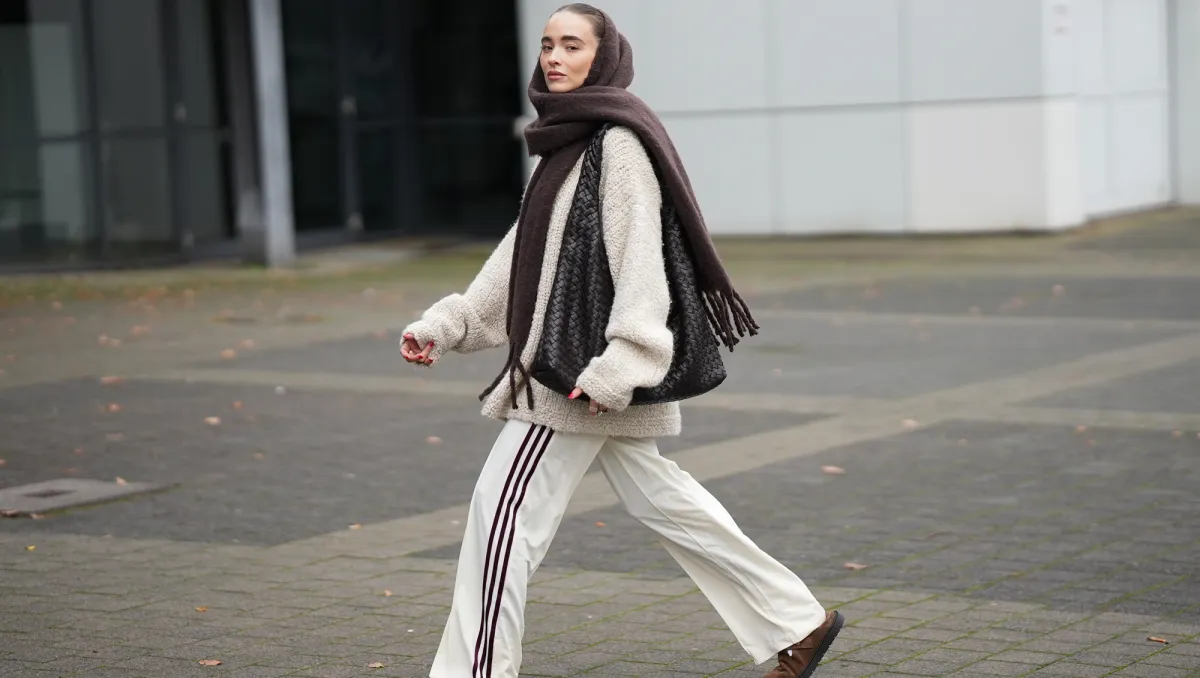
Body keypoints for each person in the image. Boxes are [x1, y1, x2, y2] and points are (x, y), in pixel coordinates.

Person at [400, 5, 842, 677]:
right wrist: (447, 324)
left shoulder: (618, 145)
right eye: (547, 44)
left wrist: (624, 363)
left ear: (603, 57)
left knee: (501, 518)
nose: (554, 57)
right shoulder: (569, 145)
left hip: (579, 374)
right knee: (662, 499)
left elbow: (642, 265)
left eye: (571, 45)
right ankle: (796, 621)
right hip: (585, 370)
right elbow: (522, 257)